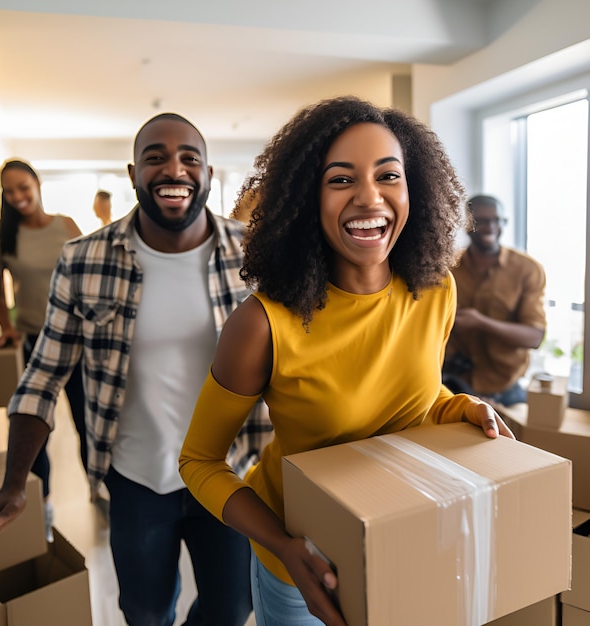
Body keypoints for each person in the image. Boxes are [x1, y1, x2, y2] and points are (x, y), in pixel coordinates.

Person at [179, 96, 515, 626]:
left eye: (388, 176)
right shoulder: (262, 324)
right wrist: (284, 547)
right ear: (306, 198)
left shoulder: (436, 291)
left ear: (414, 189)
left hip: (402, 535)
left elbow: (415, 403)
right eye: (341, 180)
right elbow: (198, 462)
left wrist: (461, 407)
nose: (369, 197)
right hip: (304, 566)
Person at [0, 114, 272, 626]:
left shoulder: (254, 255)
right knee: (145, 612)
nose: (174, 168)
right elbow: (44, 375)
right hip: (136, 479)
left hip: (229, 471)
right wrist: (17, 482)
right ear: (133, 174)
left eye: (189, 158)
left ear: (209, 174)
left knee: (232, 607)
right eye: (155, 157)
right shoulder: (84, 259)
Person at [0, 159, 86, 542]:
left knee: (87, 423)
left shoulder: (67, 226)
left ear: (37, 184)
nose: (18, 196)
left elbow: (88, 281)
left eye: (24, 187)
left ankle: (100, 489)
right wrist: (7, 328)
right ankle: (39, 505)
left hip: (77, 342)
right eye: (10, 191)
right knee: (32, 431)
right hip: (32, 344)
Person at [442, 194, 547, 406]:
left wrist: (480, 322)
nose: (490, 226)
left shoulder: (527, 269)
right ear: (466, 224)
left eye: (497, 220)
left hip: (505, 390)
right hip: (453, 385)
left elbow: (534, 337)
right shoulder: (446, 267)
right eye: (481, 221)